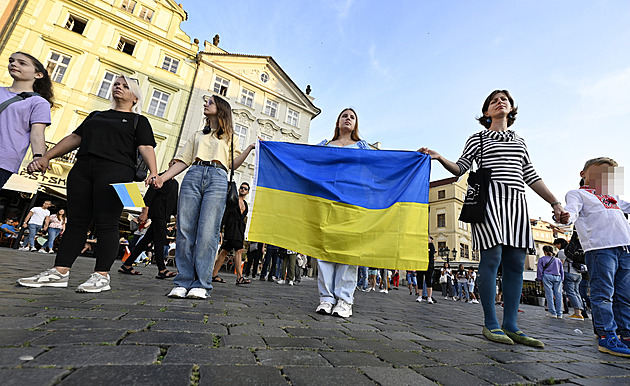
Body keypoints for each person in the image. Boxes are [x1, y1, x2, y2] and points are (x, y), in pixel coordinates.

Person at [419, 90, 569, 348]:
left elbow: (531, 175)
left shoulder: (520, 142)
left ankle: (511, 325)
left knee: (515, 264)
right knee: (492, 258)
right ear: (486, 113)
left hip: (517, 204)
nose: (499, 102)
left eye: (504, 100)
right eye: (493, 101)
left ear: (511, 109)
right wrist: (440, 157)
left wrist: (554, 203)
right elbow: (461, 167)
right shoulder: (478, 138)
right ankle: (491, 323)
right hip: (488, 202)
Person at [17, 74, 158, 293]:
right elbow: (74, 139)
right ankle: (59, 272)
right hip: (83, 169)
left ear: (135, 97)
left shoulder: (138, 121)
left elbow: (146, 147)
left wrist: (155, 173)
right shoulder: (96, 115)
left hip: (117, 172)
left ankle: (101, 275)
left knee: (107, 223)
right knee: (76, 222)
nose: (118, 88)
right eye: (116, 84)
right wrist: (46, 156)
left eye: (125, 86)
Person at [155, 95, 255, 300]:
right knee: (185, 230)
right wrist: (162, 178)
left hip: (218, 177)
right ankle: (183, 281)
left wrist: (250, 148)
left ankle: (201, 283)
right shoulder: (198, 134)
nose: (205, 104)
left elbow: (232, 165)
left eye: (209, 102)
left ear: (220, 109)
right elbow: (183, 161)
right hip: (194, 173)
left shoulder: (230, 137)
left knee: (208, 232)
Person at [562, 157, 630, 357]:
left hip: (625, 248)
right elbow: (570, 213)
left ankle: (625, 334)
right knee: (603, 294)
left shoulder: (613, 195)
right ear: (583, 174)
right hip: (601, 249)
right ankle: (606, 335)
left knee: (624, 296)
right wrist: (564, 218)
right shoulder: (577, 194)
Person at [315, 108, 372, 318]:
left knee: (347, 252)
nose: (348, 118)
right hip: (327, 203)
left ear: (355, 124)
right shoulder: (325, 145)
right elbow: (305, 160)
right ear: (338, 122)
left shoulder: (362, 147)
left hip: (352, 202)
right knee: (325, 252)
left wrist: (414, 158)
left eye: (352, 117)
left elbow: (383, 164)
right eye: (344, 116)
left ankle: (345, 300)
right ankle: (326, 298)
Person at [0, 52, 53, 189]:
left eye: (22, 63)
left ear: (38, 75)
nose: (14, 64)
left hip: (2, 160)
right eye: (12, 61)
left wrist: (38, 157)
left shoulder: (38, 102)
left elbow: (37, 134)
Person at [118, 162, 179, 279]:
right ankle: (162, 269)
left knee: (145, 241)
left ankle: (127, 265)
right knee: (160, 239)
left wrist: (176, 218)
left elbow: (174, 202)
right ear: (170, 164)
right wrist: (144, 213)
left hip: (165, 215)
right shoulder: (159, 177)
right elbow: (149, 196)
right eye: (175, 163)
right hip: (157, 213)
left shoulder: (175, 183)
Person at [212, 182, 252, 285]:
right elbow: (225, 214)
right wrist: (220, 229)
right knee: (239, 250)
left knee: (225, 251)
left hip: (239, 229)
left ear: (247, 192)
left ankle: (213, 274)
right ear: (239, 189)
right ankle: (239, 277)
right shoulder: (232, 200)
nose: (243, 189)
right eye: (241, 188)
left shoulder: (246, 204)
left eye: (245, 189)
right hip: (231, 228)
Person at [555, 237, 584, 321]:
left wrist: (559, 275)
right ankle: (580, 312)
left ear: (560, 244)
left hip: (568, 273)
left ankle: (577, 313)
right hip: (578, 274)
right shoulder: (574, 251)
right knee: (576, 292)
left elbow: (561, 265)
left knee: (571, 292)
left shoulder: (562, 252)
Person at [537, 245, 564, 318]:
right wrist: (562, 280)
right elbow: (561, 270)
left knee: (549, 295)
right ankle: (559, 313)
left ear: (544, 251)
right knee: (559, 295)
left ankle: (553, 312)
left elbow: (540, 270)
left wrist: (540, 279)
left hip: (547, 276)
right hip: (557, 277)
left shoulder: (541, 259)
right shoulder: (557, 260)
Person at [416, 237, 436, 303]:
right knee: (420, 280)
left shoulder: (431, 245)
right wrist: (427, 250)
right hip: (420, 265)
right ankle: (420, 296)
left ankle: (429, 297)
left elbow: (431, 253)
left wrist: (427, 251)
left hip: (429, 266)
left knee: (428, 281)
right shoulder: (420, 245)